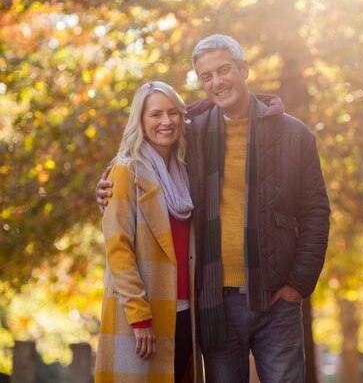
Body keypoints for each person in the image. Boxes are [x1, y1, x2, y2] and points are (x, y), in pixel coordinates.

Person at [98, 35, 331, 383]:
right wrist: (106, 187)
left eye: (224, 70)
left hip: (276, 299)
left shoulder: (294, 135)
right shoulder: (193, 135)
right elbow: (147, 156)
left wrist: (298, 283)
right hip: (213, 303)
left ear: (244, 68)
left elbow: (316, 212)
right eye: (206, 76)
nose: (217, 82)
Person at [95, 81, 202, 383]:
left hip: (184, 316)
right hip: (142, 316)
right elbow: (118, 249)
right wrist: (140, 317)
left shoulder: (186, 171)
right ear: (140, 121)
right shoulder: (125, 171)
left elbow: (221, 106)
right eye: (155, 114)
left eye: (172, 113)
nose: (166, 122)